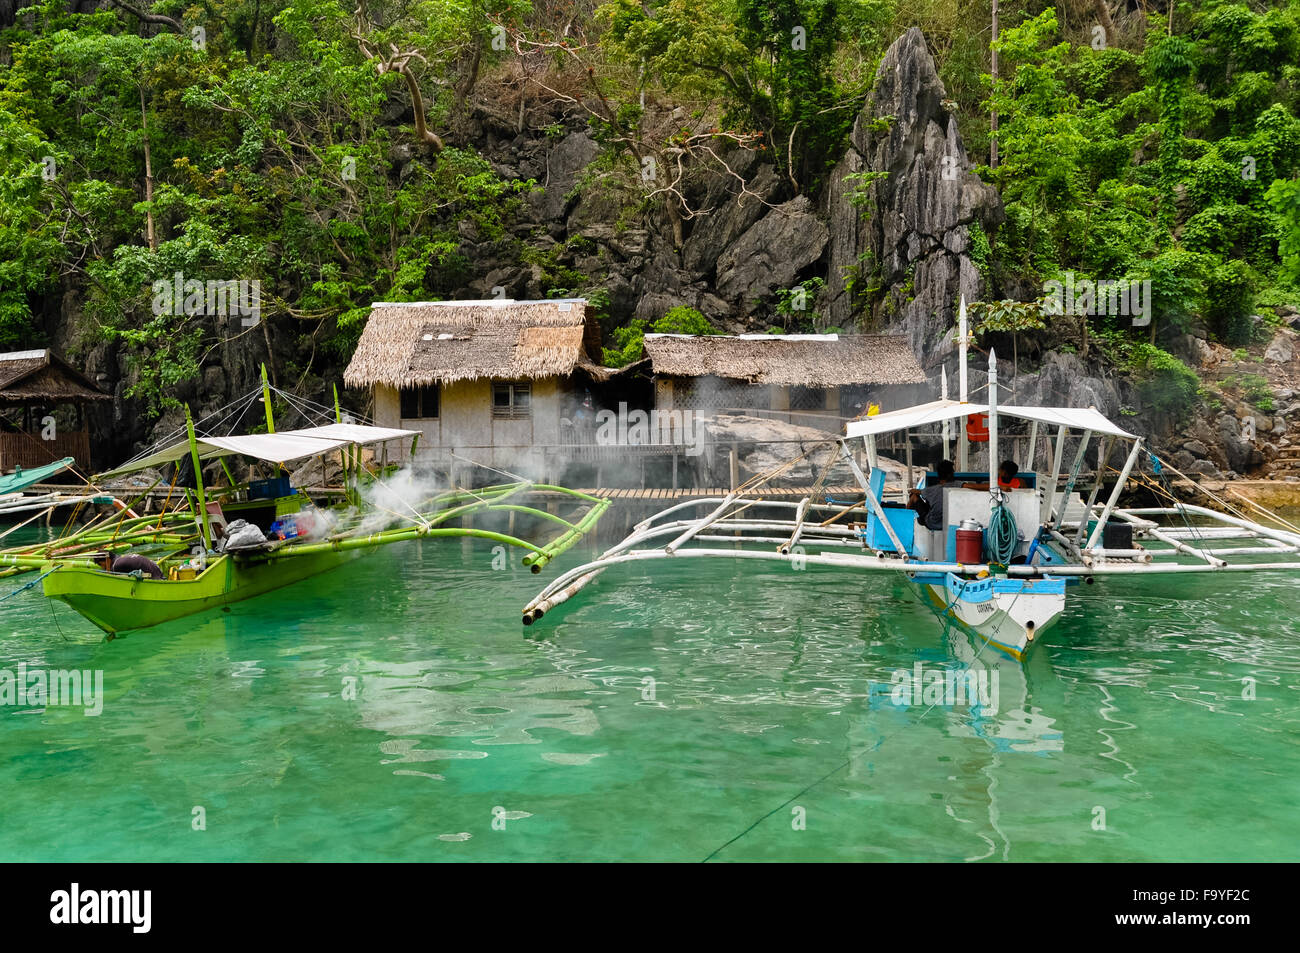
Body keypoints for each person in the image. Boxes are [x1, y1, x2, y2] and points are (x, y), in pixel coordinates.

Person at [909, 459, 955, 531]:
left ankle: (906, 518)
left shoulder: (932, 490)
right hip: (949, 523)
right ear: (950, 474)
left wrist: (913, 490)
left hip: (932, 523)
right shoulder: (958, 485)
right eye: (953, 472)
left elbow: (914, 491)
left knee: (913, 496)